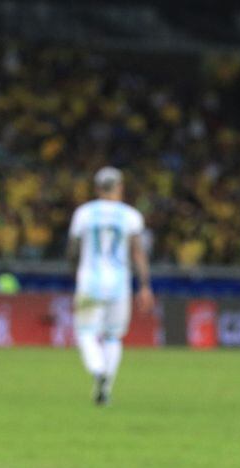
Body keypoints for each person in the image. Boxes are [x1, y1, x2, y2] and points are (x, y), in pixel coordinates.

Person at [66, 167, 154, 406]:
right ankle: (106, 384)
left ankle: (98, 369)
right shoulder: (131, 215)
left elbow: (73, 250)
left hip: (89, 281)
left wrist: (75, 273)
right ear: (120, 187)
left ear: (96, 188)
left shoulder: (83, 214)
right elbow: (138, 253)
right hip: (119, 283)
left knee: (86, 332)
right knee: (113, 336)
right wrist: (145, 285)